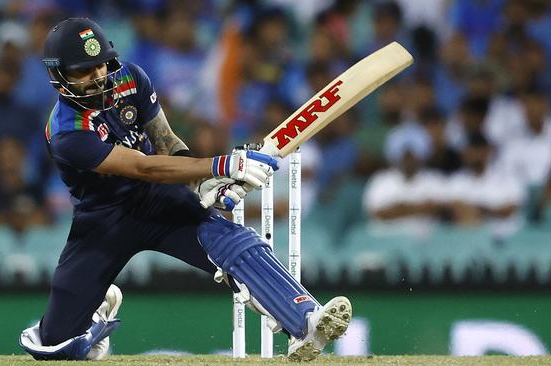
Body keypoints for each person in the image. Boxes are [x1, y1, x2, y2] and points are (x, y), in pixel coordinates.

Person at [18, 18, 351, 362]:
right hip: (103, 219)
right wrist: (220, 166)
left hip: (157, 199)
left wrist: (200, 181)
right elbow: (141, 165)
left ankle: (307, 321)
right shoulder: (67, 132)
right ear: (59, 77)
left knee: (234, 243)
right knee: (58, 346)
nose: (98, 75)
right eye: (84, 71)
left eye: (101, 64)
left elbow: (165, 142)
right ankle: (95, 318)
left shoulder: (130, 77)